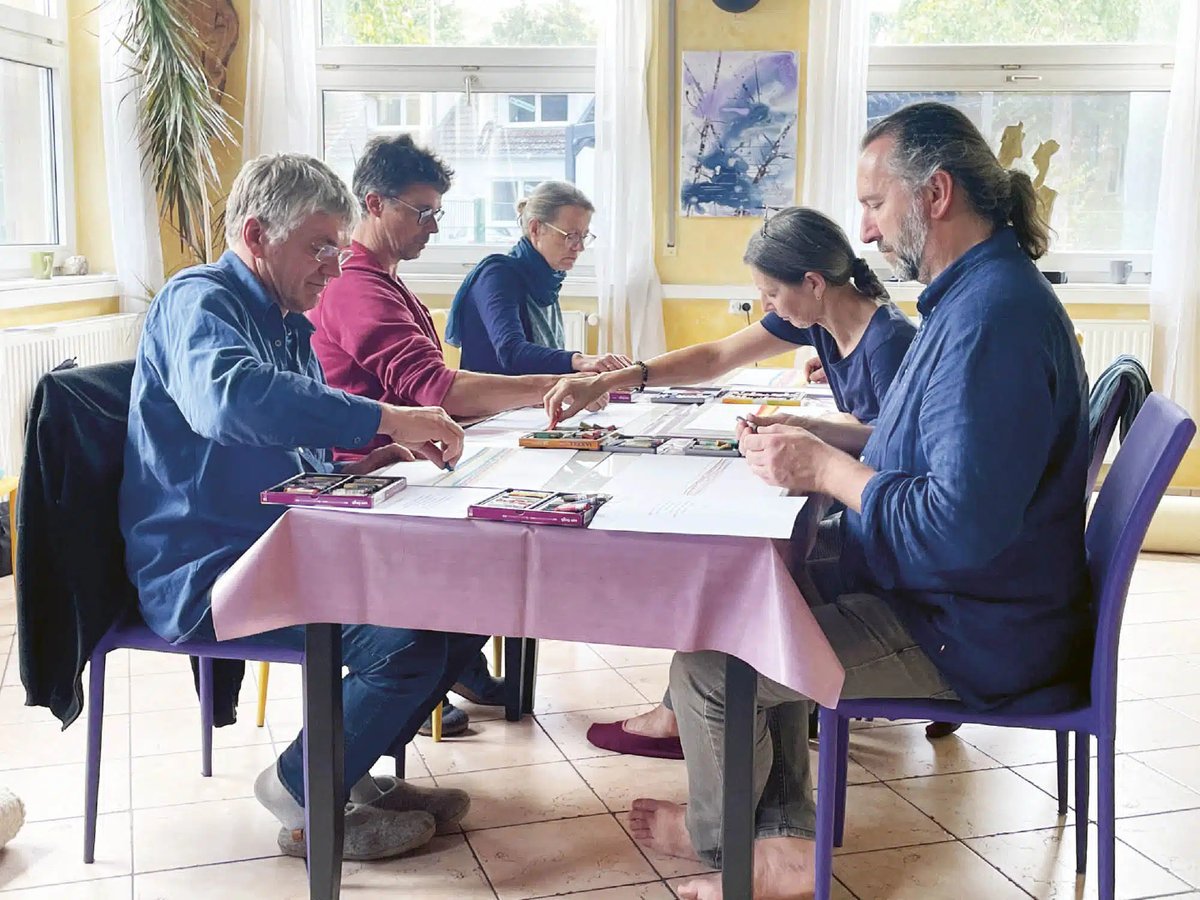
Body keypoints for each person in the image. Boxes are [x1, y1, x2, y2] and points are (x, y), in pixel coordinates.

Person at [633, 102, 1093, 900]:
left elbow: (954, 527)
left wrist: (823, 469)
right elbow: (912, 447)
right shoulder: (972, 298)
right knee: (764, 601)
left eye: (876, 204)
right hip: (970, 605)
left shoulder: (992, 322)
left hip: (969, 632)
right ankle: (777, 845)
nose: (869, 233)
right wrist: (825, 436)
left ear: (936, 194)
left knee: (713, 661)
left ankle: (728, 850)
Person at [120, 153, 483, 862]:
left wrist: (375, 459)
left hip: (285, 546)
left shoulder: (289, 319)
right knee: (406, 643)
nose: (333, 265)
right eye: (319, 247)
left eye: (339, 248)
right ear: (256, 234)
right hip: (211, 569)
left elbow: (298, 447)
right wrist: (390, 418)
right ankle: (301, 789)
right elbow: (231, 401)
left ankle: (351, 769)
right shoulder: (198, 299)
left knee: (473, 605)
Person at [552, 206, 917, 760]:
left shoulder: (888, 341)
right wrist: (618, 378)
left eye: (771, 294)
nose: (766, 306)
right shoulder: (819, 320)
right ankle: (688, 716)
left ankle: (690, 716)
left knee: (751, 569)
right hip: (859, 508)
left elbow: (896, 449)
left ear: (813, 283)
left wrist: (813, 435)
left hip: (880, 527)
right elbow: (718, 355)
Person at [309, 136, 609, 731]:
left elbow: (433, 389)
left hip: (406, 459)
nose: (434, 227)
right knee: (502, 536)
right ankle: (422, 674)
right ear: (373, 203)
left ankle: (452, 663)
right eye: (422, 212)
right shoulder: (357, 287)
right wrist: (558, 383)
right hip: (367, 476)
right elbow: (437, 390)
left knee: (518, 511)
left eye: (437, 213)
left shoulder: (385, 279)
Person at [444, 180, 630, 376]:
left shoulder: (548, 279)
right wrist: (579, 360)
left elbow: (546, 366)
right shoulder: (497, 275)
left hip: (529, 401)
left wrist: (583, 383)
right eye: (570, 235)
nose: (579, 247)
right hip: (494, 404)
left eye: (583, 236)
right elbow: (511, 352)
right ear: (535, 229)